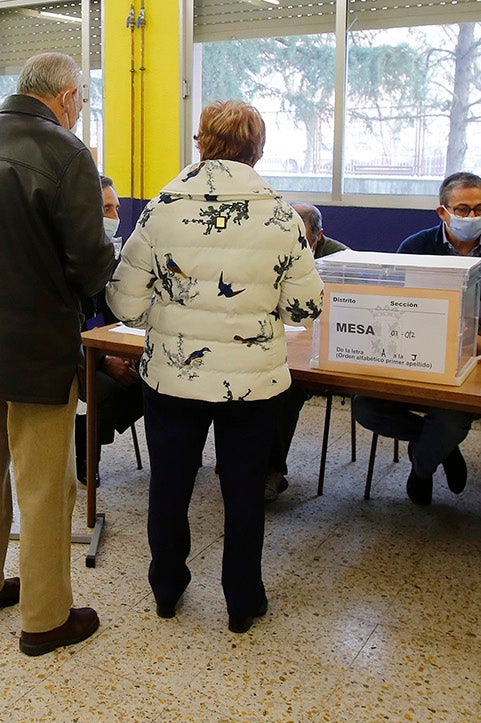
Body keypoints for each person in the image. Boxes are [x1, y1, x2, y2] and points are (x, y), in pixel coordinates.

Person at [107, 100, 325, 634]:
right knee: (244, 492)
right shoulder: (280, 215)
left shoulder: (161, 208)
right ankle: (241, 602)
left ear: (200, 144)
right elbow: (304, 307)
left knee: (171, 486)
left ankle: (166, 590)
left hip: (172, 379)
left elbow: (125, 304)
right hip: (252, 385)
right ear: (259, 150)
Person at [0, 52, 115, 656]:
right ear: (65, 95)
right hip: (36, 343)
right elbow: (88, 262)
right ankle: (44, 617)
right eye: (81, 98)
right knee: (43, 482)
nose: (80, 109)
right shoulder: (68, 154)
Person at [351, 172, 481, 507]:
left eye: (480, 208)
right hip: (421, 349)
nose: (472, 216)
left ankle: (421, 469)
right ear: (442, 212)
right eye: (462, 209)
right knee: (366, 407)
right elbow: (394, 307)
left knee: (451, 416)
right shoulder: (416, 247)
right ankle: (443, 450)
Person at [264, 202, 347, 501]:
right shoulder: (264, 251)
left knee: (287, 387)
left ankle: (270, 470)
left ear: (318, 237)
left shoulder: (340, 259)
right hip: (276, 342)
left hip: (322, 350)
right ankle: (243, 462)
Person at [75, 175, 144, 486]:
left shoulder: (111, 260)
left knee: (155, 382)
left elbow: (117, 317)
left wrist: (123, 352)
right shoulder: (69, 264)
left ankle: (85, 428)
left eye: (116, 209)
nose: (115, 218)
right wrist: (105, 361)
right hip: (70, 357)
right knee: (107, 388)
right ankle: (87, 454)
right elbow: (66, 334)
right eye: (106, 210)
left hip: (102, 347)